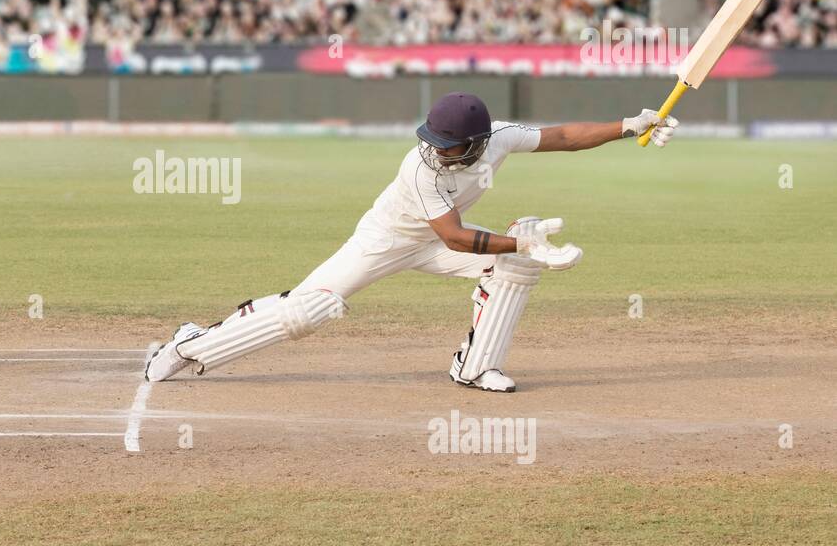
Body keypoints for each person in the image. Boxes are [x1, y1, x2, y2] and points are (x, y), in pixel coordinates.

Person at [145, 93, 679, 393]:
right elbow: (454, 235)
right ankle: (189, 343)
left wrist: (630, 125)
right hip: (387, 241)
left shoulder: (501, 138)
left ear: (476, 144)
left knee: (515, 268)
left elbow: (561, 137)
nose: (435, 152)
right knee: (306, 313)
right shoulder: (421, 170)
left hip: (439, 240)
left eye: (448, 147)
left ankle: (474, 365)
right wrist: (520, 243)